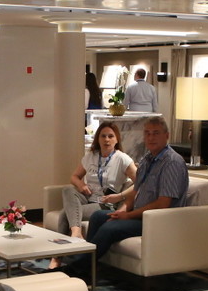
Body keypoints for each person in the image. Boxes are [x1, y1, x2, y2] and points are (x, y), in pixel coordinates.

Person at [61, 116, 188, 274]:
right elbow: (136, 192)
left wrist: (128, 215)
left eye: (156, 133)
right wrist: (122, 210)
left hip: (156, 220)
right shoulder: (147, 160)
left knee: (109, 228)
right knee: (98, 217)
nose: (151, 137)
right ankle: (90, 266)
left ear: (166, 136)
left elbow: (163, 204)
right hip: (138, 215)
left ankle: (76, 269)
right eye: (147, 133)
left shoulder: (172, 163)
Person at [48, 122, 137, 268]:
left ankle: (56, 258)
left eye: (110, 136)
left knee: (65, 213)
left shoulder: (122, 159)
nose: (106, 140)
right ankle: (76, 232)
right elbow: (74, 177)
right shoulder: (91, 156)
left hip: (105, 203)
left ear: (116, 139)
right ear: (98, 139)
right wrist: (81, 185)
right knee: (68, 190)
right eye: (103, 136)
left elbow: (139, 182)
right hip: (87, 197)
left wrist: (120, 195)